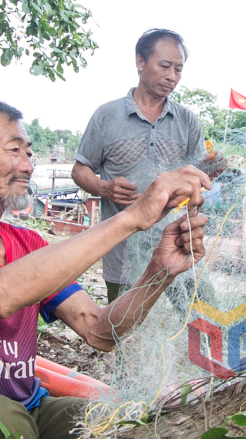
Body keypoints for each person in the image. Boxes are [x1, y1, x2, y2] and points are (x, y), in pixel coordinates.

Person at [0, 99, 210, 439]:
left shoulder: (29, 244)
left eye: (29, 153)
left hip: (30, 411)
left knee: (112, 418)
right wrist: (132, 218)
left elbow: (99, 331)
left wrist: (159, 271)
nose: (28, 166)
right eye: (14, 150)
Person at [72, 29, 223, 306]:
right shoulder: (107, 115)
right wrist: (104, 187)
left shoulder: (187, 121)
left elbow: (198, 176)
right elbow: (80, 171)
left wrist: (212, 170)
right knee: (123, 328)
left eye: (179, 69)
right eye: (165, 66)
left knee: (202, 318)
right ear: (140, 62)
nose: (172, 76)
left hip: (175, 243)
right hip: (121, 249)